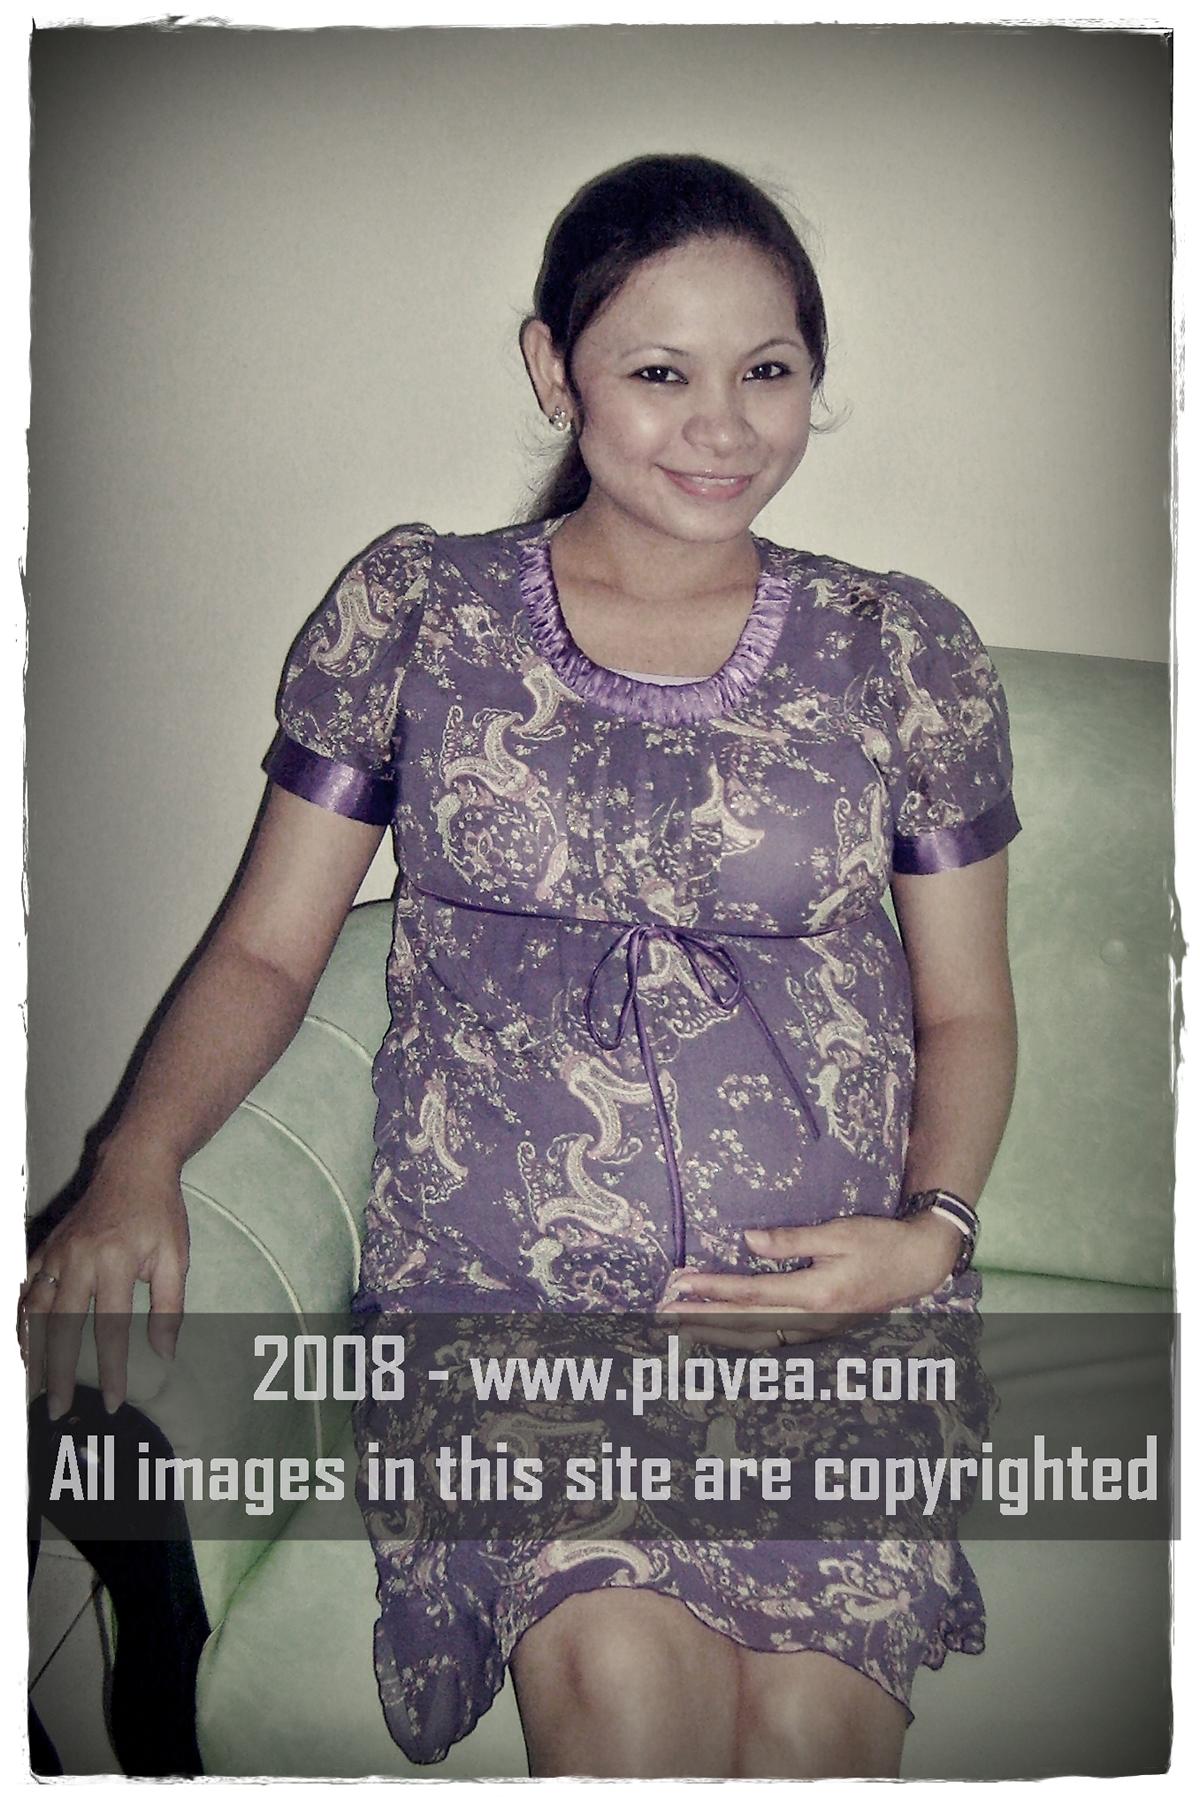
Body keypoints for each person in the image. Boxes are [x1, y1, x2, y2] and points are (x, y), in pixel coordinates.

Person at [21, 152, 1019, 1778]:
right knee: (621, 1687)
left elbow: (967, 1007)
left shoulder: (903, 650)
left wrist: (929, 1242)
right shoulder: (421, 611)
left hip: (820, 1301)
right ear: (556, 370)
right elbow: (268, 950)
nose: (724, 425)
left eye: (769, 371)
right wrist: (136, 1161)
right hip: (513, 1288)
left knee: (810, 1735)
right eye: (660, 371)